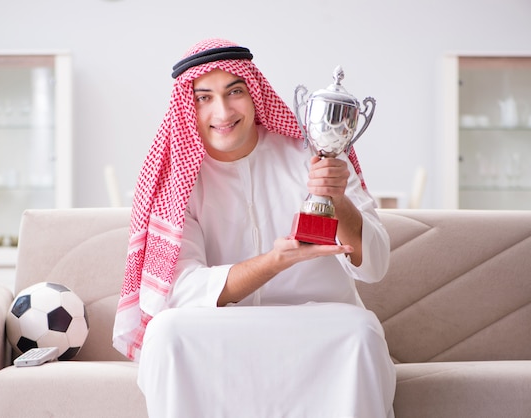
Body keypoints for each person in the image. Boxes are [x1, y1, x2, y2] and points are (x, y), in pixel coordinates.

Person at [113, 38, 396, 418]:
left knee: (361, 330)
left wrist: (336, 197)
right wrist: (274, 261)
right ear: (187, 107)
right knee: (165, 332)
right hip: (223, 336)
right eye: (204, 98)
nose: (223, 111)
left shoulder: (309, 152)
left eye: (235, 92)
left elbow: (374, 267)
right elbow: (182, 289)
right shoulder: (182, 179)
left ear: (254, 93)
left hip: (316, 329)